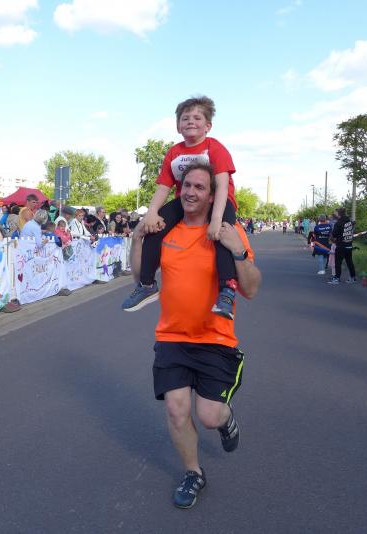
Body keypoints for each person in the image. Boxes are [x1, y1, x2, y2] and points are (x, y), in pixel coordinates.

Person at [129, 162, 261, 509]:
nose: (190, 192)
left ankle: (226, 419)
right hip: (172, 338)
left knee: (209, 415)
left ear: (213, 196)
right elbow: (139, 277)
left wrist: (238, 251)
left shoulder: (227, 231)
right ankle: (193, 472)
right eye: (186, 185)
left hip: (215, 340)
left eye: (200, 187)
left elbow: (251, 289)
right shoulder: (166, 230)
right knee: (176, 409)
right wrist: (137, 238)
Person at [123, 96, 239, 319]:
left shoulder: (215, 148)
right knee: (153, 228)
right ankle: (147, 285)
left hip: (218, 199)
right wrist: (152, 213)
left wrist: (216, 220)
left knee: (222, 235)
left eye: (197, 118)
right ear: (178, 126)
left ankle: (227, 290)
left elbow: (223, 185)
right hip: (186, 201)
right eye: (185, 118)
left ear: (208, 126)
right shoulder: (174, 152)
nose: (190, 121)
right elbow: (163, 187)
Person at [329, 207, 357, 284]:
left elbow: (334, 234)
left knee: (338, 262)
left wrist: (332, 238)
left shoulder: (338, 223)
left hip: (341, 245)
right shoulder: (349, 221)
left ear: (339, 214)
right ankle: (353, 277)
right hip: (349, 244)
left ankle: (336, 279)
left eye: (336, 213)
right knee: (349, 262)